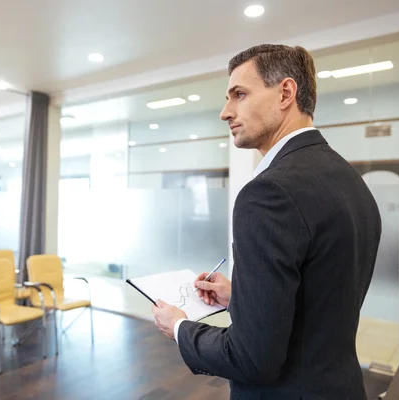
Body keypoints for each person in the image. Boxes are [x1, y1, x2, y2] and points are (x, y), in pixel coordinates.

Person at [151, 44, 382, 399]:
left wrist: (180, 327)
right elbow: (322, 299)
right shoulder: (348, 179)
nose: (225, 112)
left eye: (239, 95)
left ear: (285, 93)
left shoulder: (269, 192)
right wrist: (241, 295)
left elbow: (251, 359)